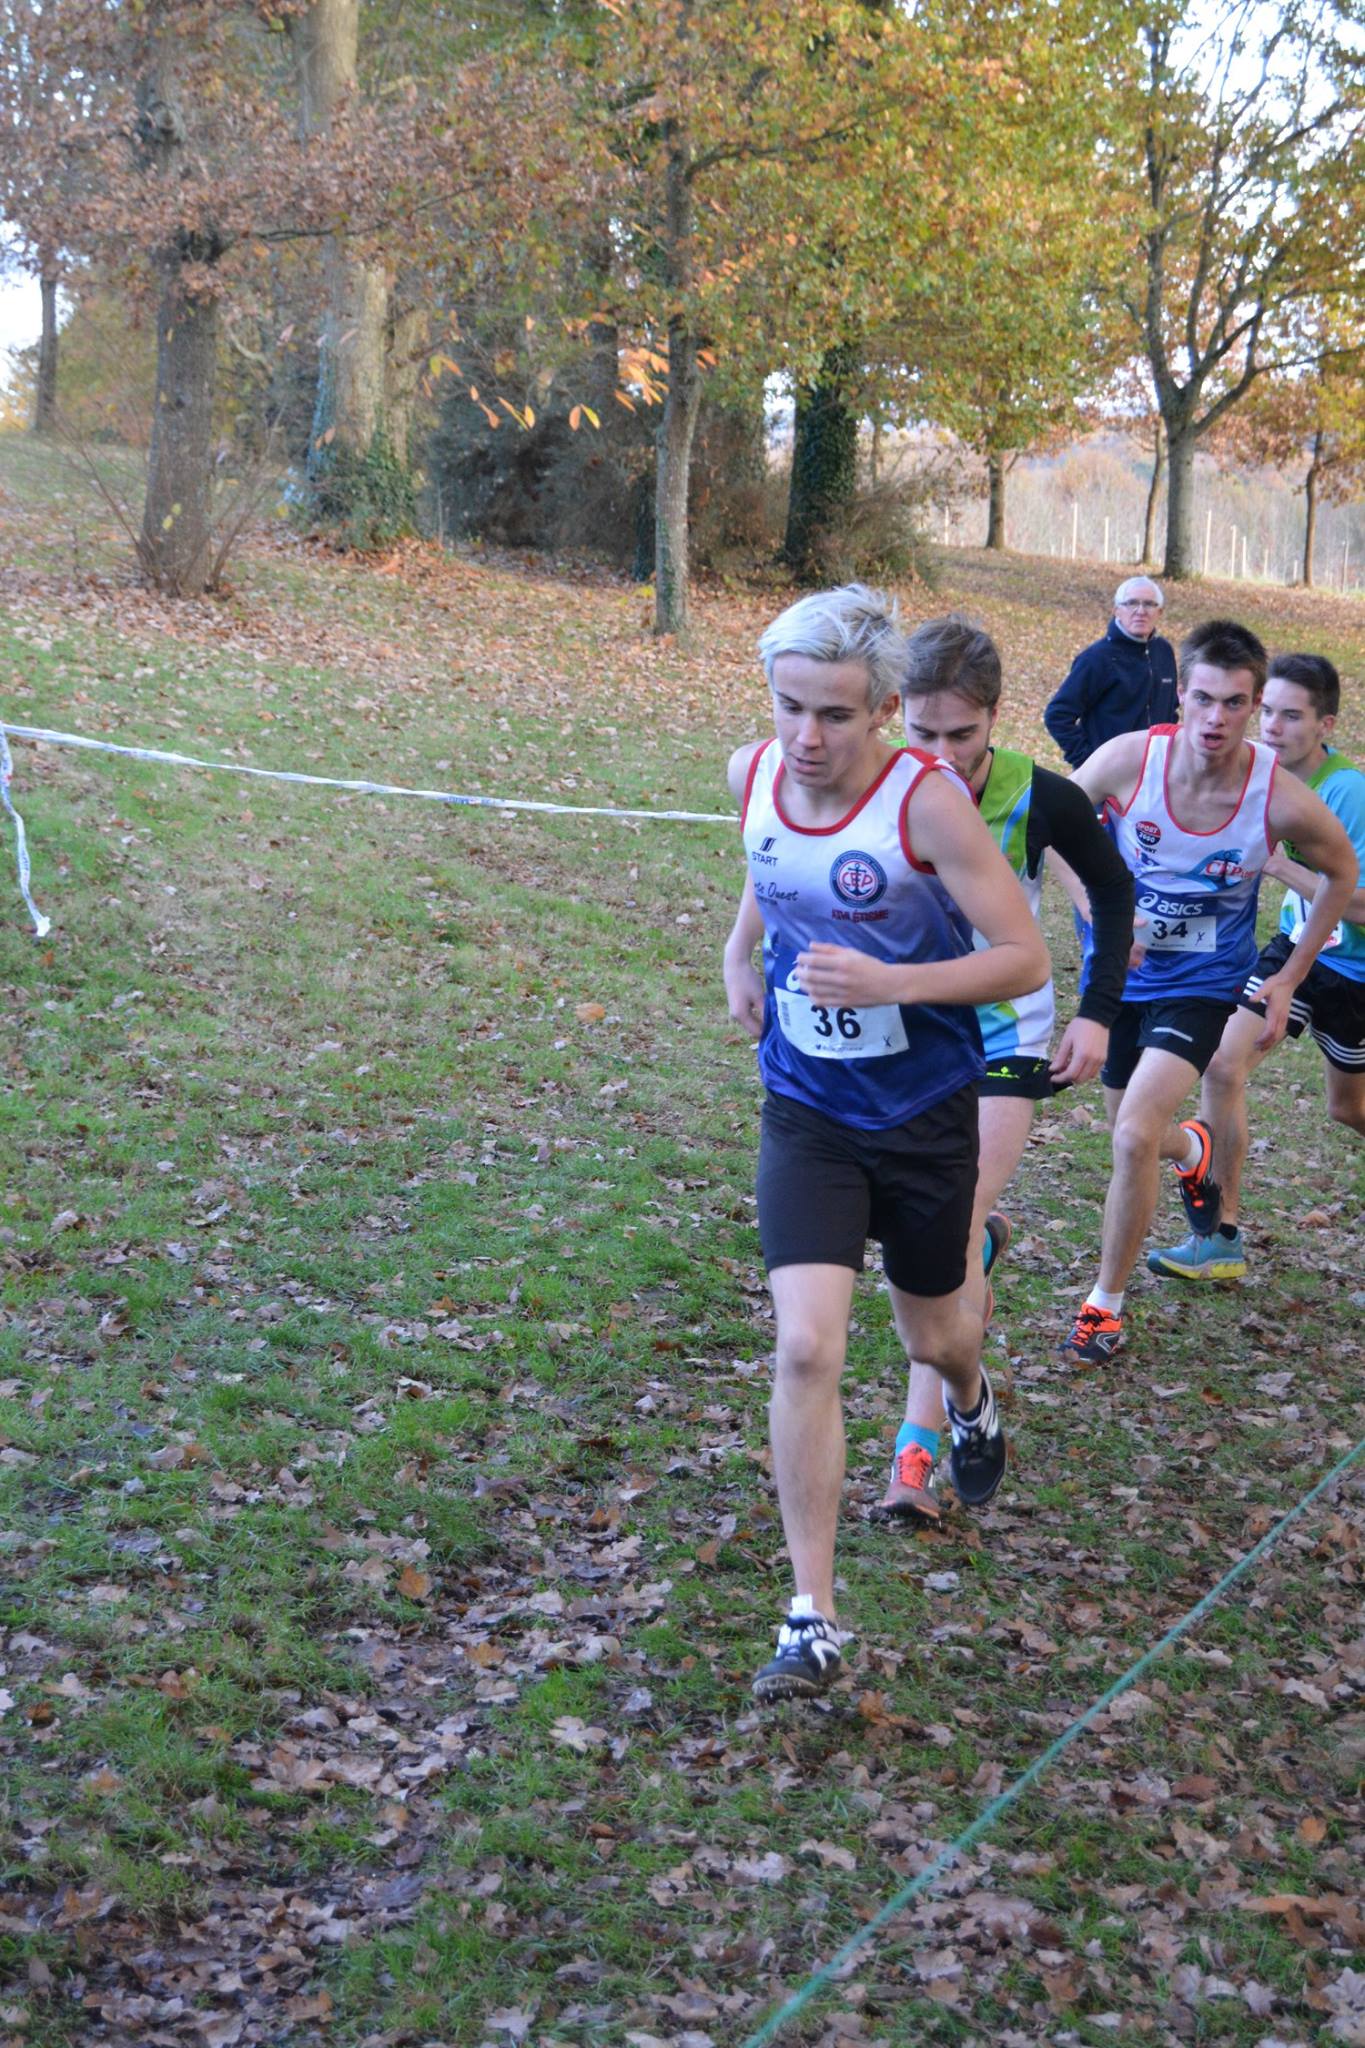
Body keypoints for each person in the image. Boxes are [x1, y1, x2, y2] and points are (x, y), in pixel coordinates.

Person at [721, 585, 1050, 1700]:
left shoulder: (928, 806)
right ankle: (810, 1615)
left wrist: (892, 982)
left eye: (834, 715)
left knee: (935, 1331)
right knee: (807, 1347)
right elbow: (770, 865)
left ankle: (970, 1394)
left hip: (921, 1116)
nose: (806, 737)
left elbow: (1022, 957)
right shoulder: (751, 773)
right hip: (807, 1107)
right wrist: (739, 952)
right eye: (789, 707)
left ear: (881, 710)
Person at [877, 615, 1135, 1523]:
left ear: (995, 715)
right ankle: (973, 1291)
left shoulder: (1042, 795)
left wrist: (1097, 1012)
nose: (941, 755)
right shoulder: (875, 783)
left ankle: (918, 1450)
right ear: (893, 712)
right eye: (921, 732)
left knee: (945, 1233)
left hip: (1003, 1034)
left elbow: (1112, 887)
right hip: (903, 1034)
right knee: (923, 1234)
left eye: (961, 733)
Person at [1060, 620, 1357, 1364]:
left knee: (1133, 1136)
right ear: (1180, 696)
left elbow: (1341, 874)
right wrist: (1096, 910)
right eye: (1203, 699)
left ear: (1253, 707)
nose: (1216, 718)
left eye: (1233, 703)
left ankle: (1104, 1305)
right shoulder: (1129, 759)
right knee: (1127, 1130)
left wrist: (1289, 977)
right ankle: (1194, 1146)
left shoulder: (1277, 795)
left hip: (1202, 984)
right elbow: (1051, 823)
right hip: (1120, 978)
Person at [1148, 652, 1365, 1280]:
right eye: (1267, 711)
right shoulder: (1257, 775)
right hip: (1295, 951)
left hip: (1354, 972)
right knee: (1222, 1063)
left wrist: (1284, 867)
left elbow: (1359, 904)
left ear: (1325, 724)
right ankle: (1221, 1236)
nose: (1272, 726)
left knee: (1348, 1108)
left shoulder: (1348, 792)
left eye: (1291, 716)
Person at [1044, 577, 1179, 769]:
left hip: (1154, 772)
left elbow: (1170, 709)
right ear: (1117, 610)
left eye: (1149, 604)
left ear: (1160, 612)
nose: (1140, 611)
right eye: (1131, 603)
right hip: (1107, 776)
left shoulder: (1163, 652)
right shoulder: (1097, 658)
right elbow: (1057, 715)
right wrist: (1089, 763)